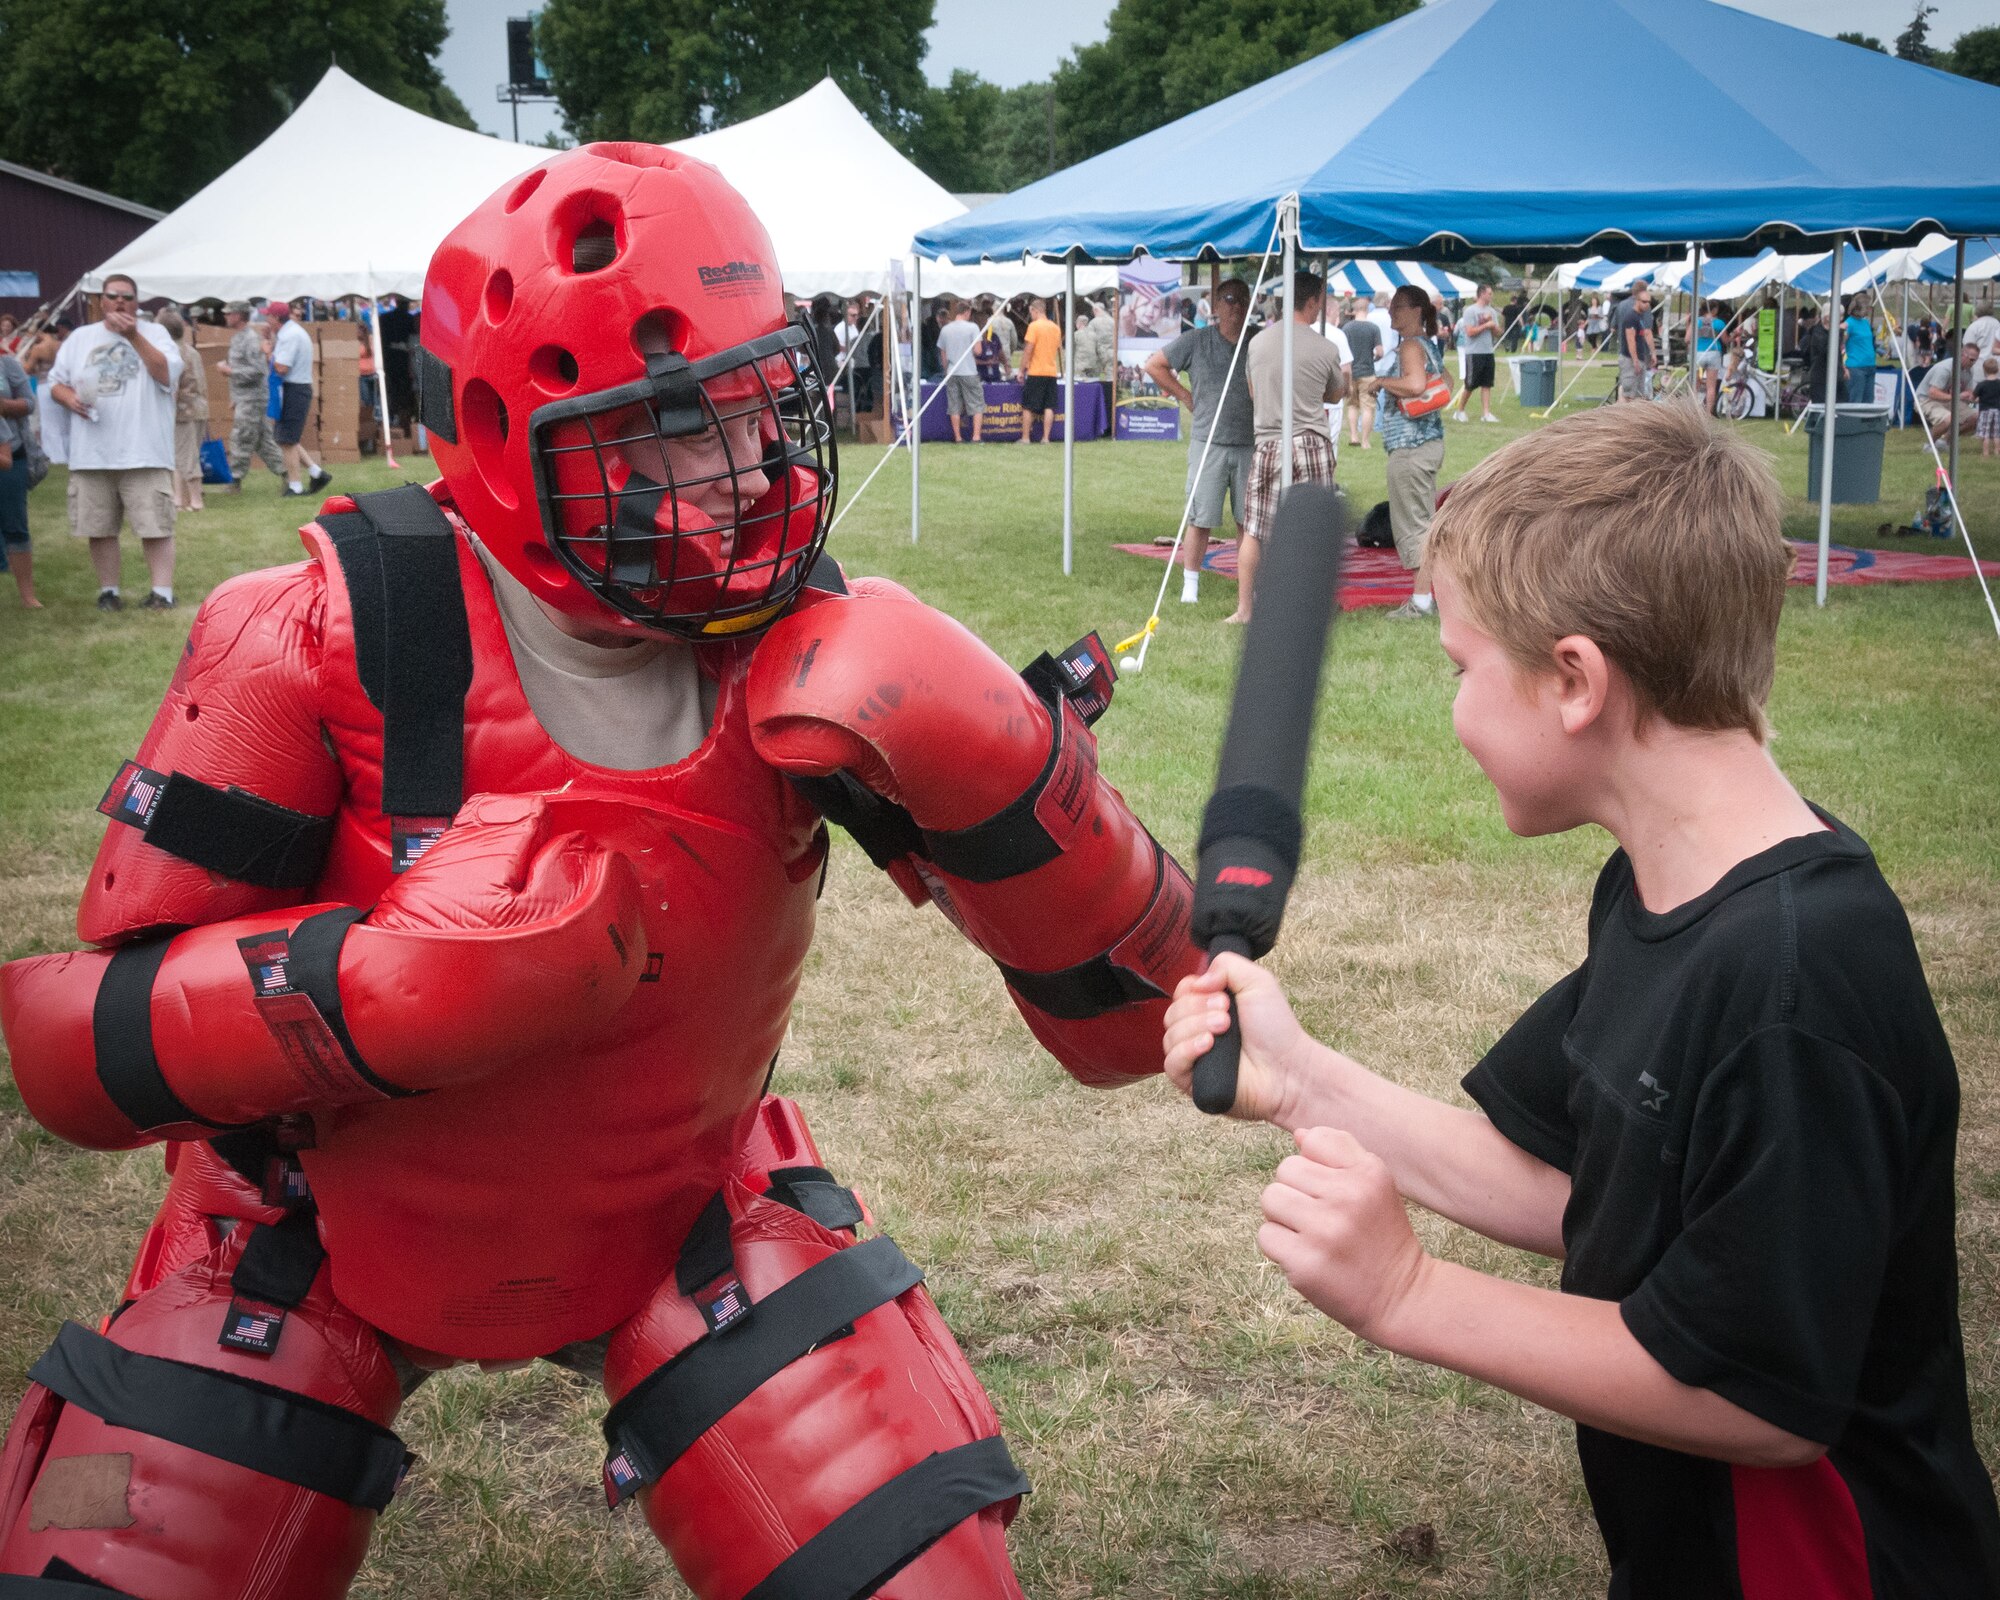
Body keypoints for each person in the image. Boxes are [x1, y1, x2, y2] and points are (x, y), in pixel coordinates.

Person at [0, 142, 1203, 1599]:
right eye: (669, 432)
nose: (745, 473)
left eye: (764, 412)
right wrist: (363, 993)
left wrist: (1023, 785)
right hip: (305, 1230)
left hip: (675, 1206)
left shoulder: (807, 638)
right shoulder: (317, 628)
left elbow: (1139, 1030)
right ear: (509, 436)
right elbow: (69, 1051)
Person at [1163, 400, 2000, 1598]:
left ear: (1572, 680)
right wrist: (1302, 1079)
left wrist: (1409, 1294)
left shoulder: (1792, 979)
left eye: (1461, 670)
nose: (1451, 713)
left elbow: (1752, 1393)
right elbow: (1585, 1193)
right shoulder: (1660, 888)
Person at [47, 273, 182, 610]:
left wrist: (133, 335)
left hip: (144, 450)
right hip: (92, 453)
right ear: (101, 301)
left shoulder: (156, 334)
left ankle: (161, 593)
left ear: (137, 303)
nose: (120, 301)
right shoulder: (80, 338)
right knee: (100, 527)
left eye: (127, 296)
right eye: (112, 296)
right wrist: (68, 399)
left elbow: (165, 373)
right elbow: (56, 382)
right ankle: (109, 591)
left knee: (155, 526)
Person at [1236, 270, 1346, 625]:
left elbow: (1253, 392)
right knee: (1313, 528)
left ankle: (1245, 609)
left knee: (1254, 529)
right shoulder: (1326, 347)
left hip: (1268, 441)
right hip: (1311, 441)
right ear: (1313, 301)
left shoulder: (1257, 343)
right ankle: (1312, 607)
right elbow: (1335, 393)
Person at [1145, 277, 1253, 605]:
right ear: (1215, 305)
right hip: (1209, 441)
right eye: (1229, 299)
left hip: (1251, 441)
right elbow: (1154, 365)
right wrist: (1185, 396)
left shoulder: (1258, 342)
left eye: (1242, 300)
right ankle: (1190, 585)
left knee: (1247, 521)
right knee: (1200, 517)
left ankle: (1248, 585)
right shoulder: (1197, 340)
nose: (1235, 306)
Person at [1373, 283, 1448, 621]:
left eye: (1399, 306)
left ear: (1417, 311)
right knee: (1423, 522)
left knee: (1415, 526)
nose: (1392, 311)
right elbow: (1446, 380)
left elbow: (1417, 385)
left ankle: (1421, 601)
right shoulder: (1428, 345)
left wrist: (1382, 383)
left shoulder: (1410, 348)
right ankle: (1428, 597)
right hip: (1428, 443)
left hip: (1412, 446)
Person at [265, 296, 332, 498]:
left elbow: (282, 368)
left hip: (294, 389)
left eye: (268, 317)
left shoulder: (289, 336)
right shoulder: (291, 332)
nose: (267, 321)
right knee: (288, 438)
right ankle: (316, 472)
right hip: (296, 388)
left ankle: (295, 486)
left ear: (277, 317)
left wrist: (268, 353)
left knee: (287, 440)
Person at [215, 301, 286, 489]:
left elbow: (258, 371)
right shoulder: (239, 338)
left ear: (239, 315)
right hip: (246, 397)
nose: (226, 316)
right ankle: (287, 473)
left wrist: (229, 371)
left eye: (229, 313)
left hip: (253, 398)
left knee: (241, 437)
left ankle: (234, 480)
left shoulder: (250, 339)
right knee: (263, 442)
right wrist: (235, 397)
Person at [157, 309, 209, 513]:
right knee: (181, 455)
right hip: (198, 409)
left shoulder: (172, 353)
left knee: (186, 457)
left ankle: (196, 500)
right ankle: (180, 499)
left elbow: (174, 387)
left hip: (182, 413)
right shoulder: (190, 350)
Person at [0, 332, 37, 606]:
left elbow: (29, 403)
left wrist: (3, 406)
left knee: (15, 525)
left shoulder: (7, 364)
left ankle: (27, 596)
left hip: (11, 451)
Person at [938, 298, 985, 443]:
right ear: (967, 312)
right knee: (976, 404)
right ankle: (976, 436)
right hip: (969, 371)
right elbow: (978, 351)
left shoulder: (945, 329)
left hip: (952, 371)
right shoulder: (973, 328)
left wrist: (946, 370)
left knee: (954, 405)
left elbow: (943, 353)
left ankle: (957, 437)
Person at [1017, 296, 1062, 445]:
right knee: (1049, 405)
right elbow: (1057, 348)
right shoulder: (1056, 328)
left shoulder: (1034, 326)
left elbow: (1028, 350)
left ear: (1034, 311)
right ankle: (1046, 438)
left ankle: (1025, 438)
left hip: (1036, 371)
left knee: (1028, 406)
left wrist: (1021, 370)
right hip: (1051, 371)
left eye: (1031, 312)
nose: (1031, 315)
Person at [1339, 296, 1382, 451]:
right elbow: (1380, 351)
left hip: (1351, 372)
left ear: (1354, 310)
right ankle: (1365, 441)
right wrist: (1375, 358)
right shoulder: (1373, 328)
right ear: (1367, 309)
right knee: (1368, 408)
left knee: (1352, 405)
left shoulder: (1347, 328)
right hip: (1368, 372)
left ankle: (1353, 436)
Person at [1454, 284, 1501, 423]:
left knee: (1487, 384)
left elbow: (1498, 332)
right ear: (1482, 294)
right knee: (1470, 384)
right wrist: (1485, 325)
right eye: (1489, 293)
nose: (1491, 296)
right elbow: (1469, 332)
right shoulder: (1470, 311)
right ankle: (1460, 411)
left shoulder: (1492, 311)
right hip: (1474, 352)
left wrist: (1492, 325)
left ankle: (1486, 414)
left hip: (1488, 351)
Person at [1920, 341, 1981, 439]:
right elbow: (1932, 393)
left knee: (1977, 417)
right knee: (1950, 419)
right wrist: (1958, 396)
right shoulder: (1945, 369)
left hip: (1951, 399)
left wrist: (1978, 398)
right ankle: (1930, 444)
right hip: (1926, 400)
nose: (1974, 363)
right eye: (1972, 360)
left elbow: (1968, 394)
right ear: (1962, 355)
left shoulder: (1969, 370)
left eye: (1975, 360)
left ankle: (1946, 440)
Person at [1615, 283, 1655, 401]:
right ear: (1637, 299)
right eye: (1644, 301)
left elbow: (1646, 333)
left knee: (1637, 393)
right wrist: (1635, 360)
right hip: (1630, 358)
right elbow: (1630, 339)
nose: (1647, 304)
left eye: (1649, 302)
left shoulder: (1637, 314)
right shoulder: (1631, 316)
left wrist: (1652, 352)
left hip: (1636, 356)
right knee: (1628, 393)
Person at [1799, 303, 1843, 407]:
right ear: (1828, 317)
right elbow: (1826, 351)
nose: (1841, 319)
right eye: (1839, 315)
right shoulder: (1817, 332)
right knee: (1820, 409)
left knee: (1842, 404)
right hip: (1821, 377)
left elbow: (1838, 354)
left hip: (1837, 376)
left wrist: (1843, 368)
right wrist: (1838, 333)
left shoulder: (1835, 331)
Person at [1693, 299, 1726, 414]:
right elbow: (1725, 340)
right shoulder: (1719, 323)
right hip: (1714, 353)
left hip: (1698, 353)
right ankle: (1707, 413)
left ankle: (1693, 411)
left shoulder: (1696, 322)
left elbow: (1687, 339)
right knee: (1711, 387)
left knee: (1695, 384)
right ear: (1714, 310)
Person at [1843, 296, 1877, 405]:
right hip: (1856, 367)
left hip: (1870, 365)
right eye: (1867, 307)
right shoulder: (1849, 324)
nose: (1869, 310)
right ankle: (1852, 422)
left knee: (1869, 401)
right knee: (1856, 400)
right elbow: (1841, 343)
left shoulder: (1866, 322)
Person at [1976, 356, 2000, 458]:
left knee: (1985, 433)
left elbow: (1974, 397)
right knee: (1997, 433)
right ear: (1998, 369)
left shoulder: (1982, 385)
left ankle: (1985, 453)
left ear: (1984, 370)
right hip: (1998, 411)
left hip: (1985, 411)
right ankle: (1996, 452)